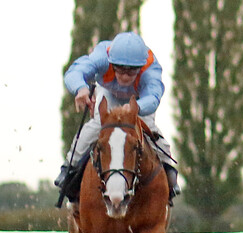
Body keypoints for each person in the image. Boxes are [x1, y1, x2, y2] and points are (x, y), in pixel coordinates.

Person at [55, 31, 180, 204]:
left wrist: (135, 108)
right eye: (120, 69)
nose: (125, 76)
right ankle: (69, 167)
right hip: (109, 94)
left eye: (131, 71)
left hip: (139, 99)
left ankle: (169, 171)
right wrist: (81, 88)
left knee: (150, 128)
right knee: (97, 125)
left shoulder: (150, 69)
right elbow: (75, 71)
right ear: (111, 62)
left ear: (141, 67)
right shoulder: (102, 57)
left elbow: (153, 98)